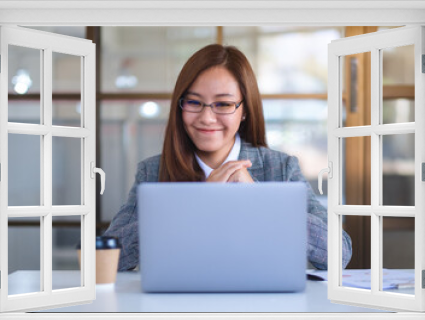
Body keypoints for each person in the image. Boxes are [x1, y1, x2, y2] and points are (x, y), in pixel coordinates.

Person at [104, 44, 352, 271]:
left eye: (223, 104)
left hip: (262, 309)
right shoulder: (153, 171)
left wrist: (262, 200)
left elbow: (339, 254)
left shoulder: (280, 168)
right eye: (193, 102)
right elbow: (107, 257)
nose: (207, 118)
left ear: (244, 111)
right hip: (179, 308)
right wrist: (193, 205)